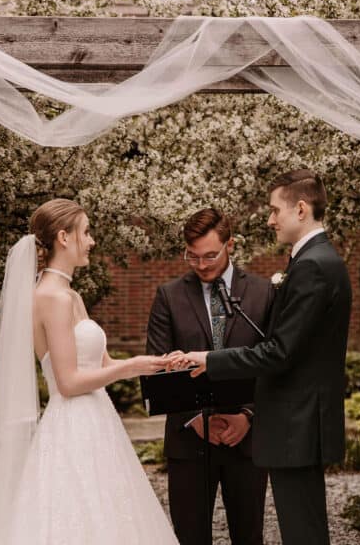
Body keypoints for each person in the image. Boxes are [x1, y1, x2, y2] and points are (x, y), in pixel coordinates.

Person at [0, 199, 179, 545]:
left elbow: (103, 365)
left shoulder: (71, 295)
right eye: (87, 232)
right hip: (72, 424)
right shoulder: (52, 297)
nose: (92, 241)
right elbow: (67, 383)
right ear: (64, 237)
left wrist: (156, 364)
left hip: (98, 420)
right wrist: (132, 366)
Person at [169, 170, 351, 545]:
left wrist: (211, 360)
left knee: (304, 532)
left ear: (300, 209)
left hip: (297, 422)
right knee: (306, 528)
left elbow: (280, 352)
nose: (270, 220)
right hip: (300, 422)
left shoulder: (313, 266)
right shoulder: (317, 260)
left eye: (274, 210)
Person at [147, 208, 272, 545]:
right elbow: (158, 369)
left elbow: (273, 362)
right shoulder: (168, 296)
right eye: (193, 256)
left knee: (250, 537)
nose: (202, 265)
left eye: (210, 256)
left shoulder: (264, 293)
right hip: (189, 442)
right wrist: (195, 419)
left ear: (231, 245)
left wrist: (247, 415)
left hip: (246, 442)